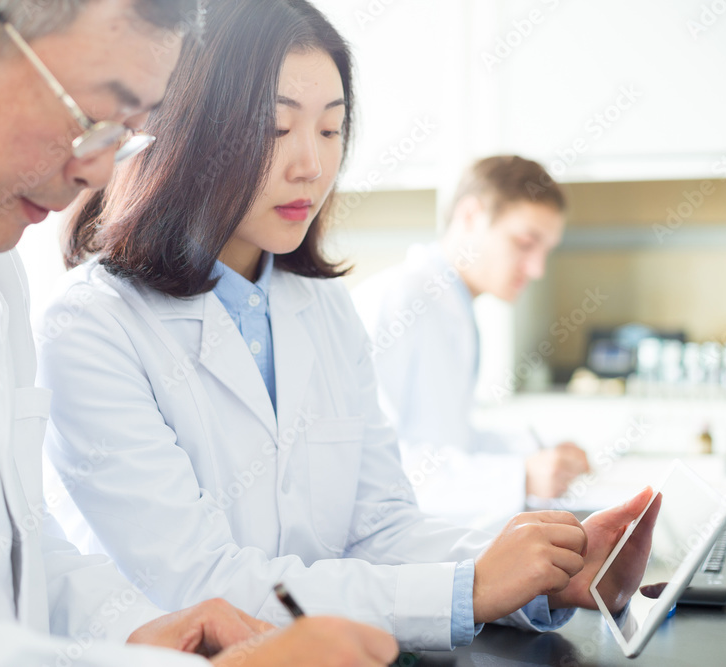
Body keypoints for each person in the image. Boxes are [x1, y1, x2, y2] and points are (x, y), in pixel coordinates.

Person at [37, 0, 656, 653]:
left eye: (331, 131)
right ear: (192, 131)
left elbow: (381, 528)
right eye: (276, 128)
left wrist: (544, 570)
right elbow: (201, 584)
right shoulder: (91, 326)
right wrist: (468, 587)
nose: (311, 163)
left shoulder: (321, 306)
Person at [0, 0, 396, 665]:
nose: (100, 169)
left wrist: (131, 626)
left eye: (128, 132)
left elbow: (12, 539)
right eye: (90, 117)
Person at [353, 156, 591, 514]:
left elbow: (448, 441)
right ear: (469, 217)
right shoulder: (402, 300)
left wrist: (537, 452)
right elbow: (378, 467)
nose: (537, 269)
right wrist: (520, 477)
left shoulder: (453, 306)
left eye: (545, 251)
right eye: (526, 243)